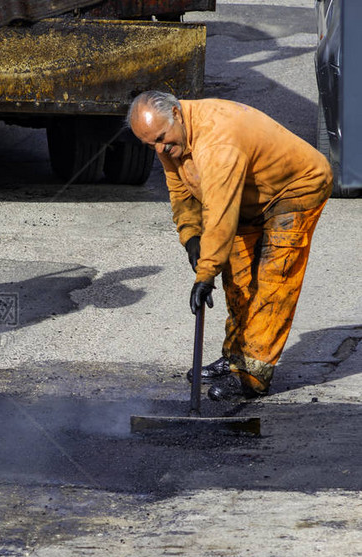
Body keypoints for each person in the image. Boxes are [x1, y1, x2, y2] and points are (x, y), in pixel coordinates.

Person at [127, 91, 332, 400]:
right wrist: (191, 237)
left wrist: (205, 274)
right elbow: (180, 190)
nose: (160, 149)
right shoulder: (169, 136)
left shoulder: (216, 141)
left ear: (176, 113)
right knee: (237, 276)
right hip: (249, 194)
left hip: (295, 188)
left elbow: (220, 213)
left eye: (161, 138)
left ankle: (252, 374)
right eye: (150, 144)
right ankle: (236, 357)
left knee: (273, 279)